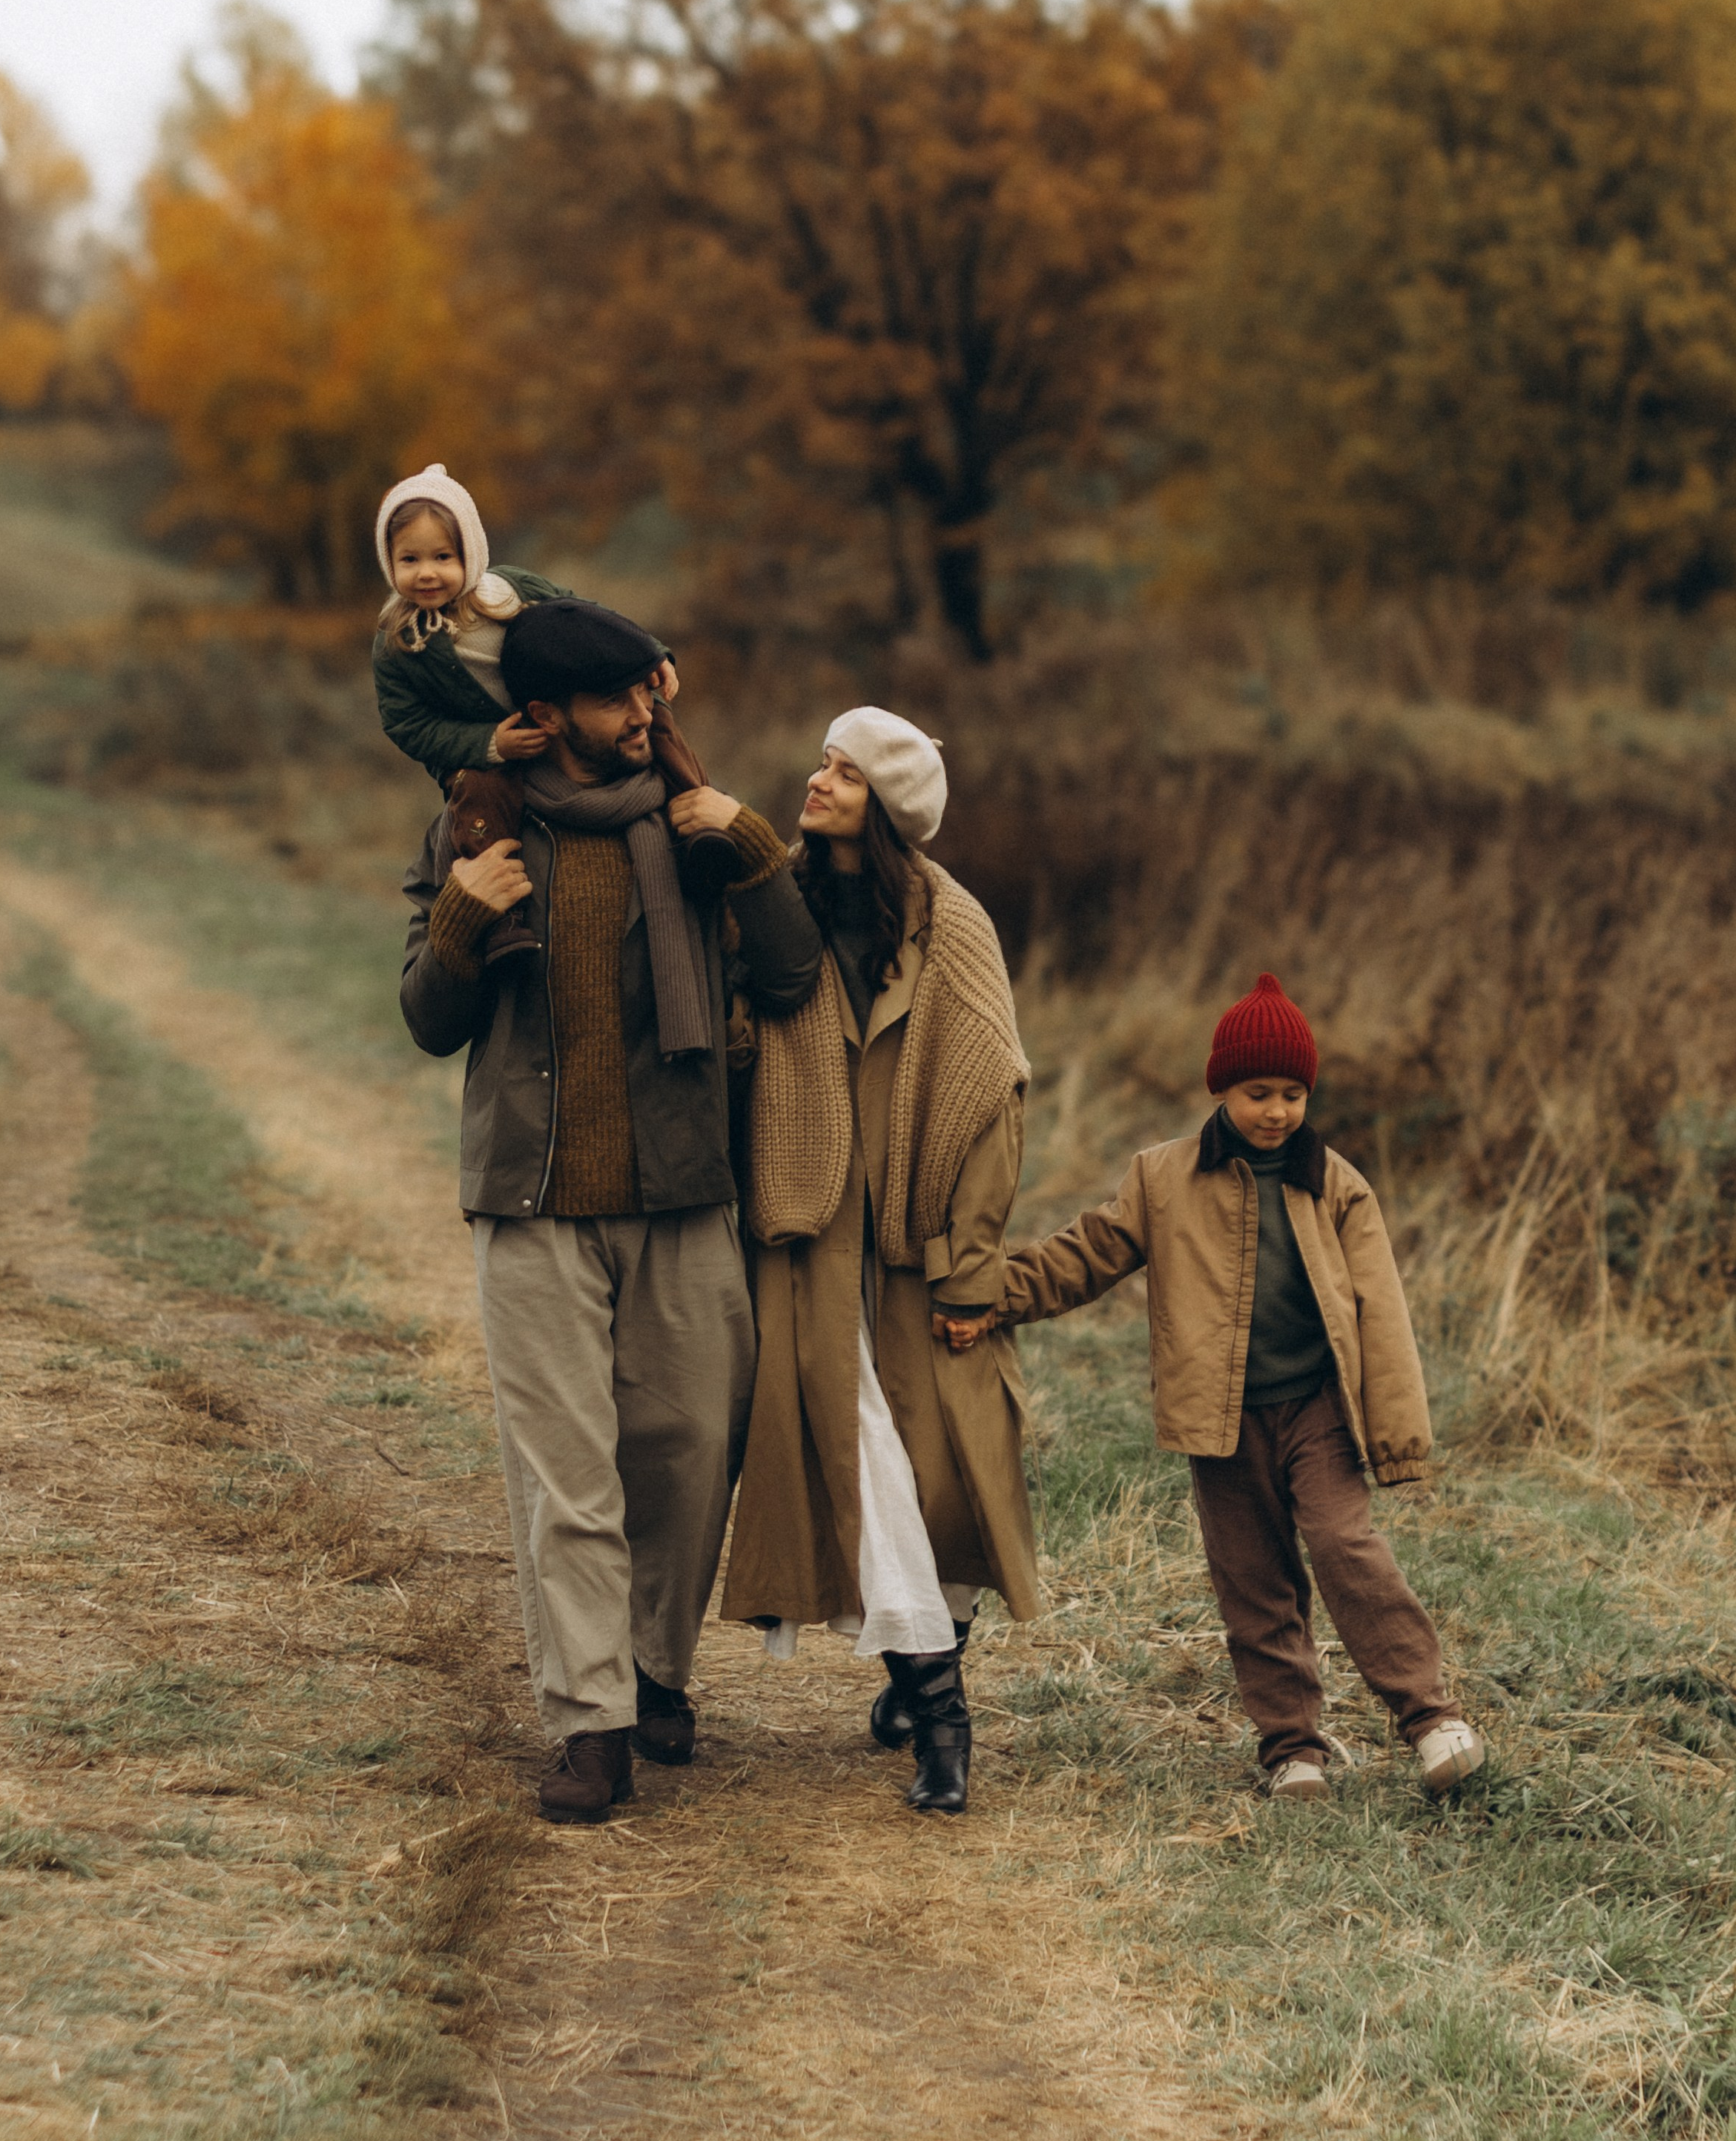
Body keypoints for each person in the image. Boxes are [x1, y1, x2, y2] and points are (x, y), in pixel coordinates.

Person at [399, 597, 822, 1824]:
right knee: (566, 1476)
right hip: (530, 1205)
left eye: (651, 693)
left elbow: (791, 977)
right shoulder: (477, 827)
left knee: (690, 1450)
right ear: (544, 715)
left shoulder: (697, 824)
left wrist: (750, 849)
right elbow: (430, 1023)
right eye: (618, 698)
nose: (645, 715)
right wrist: (466, 916)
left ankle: (654, 1667)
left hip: (682, 1191)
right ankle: (591, 1723)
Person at [946, 974, 1486, 1802]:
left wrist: (1397, 1436)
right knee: (1251, 1578)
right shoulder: (1160, 1179)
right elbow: (1083, 1254)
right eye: (1256, 1091)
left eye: (1292, 1093)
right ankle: (1291, 1747)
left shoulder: (1335, 1184)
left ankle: (1429, 1718)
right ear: (1220, 1088)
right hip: (1220, 1418)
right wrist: (993, 1296)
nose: (1275, 1110)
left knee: (1345, 1545)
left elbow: (1381, 1315)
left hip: (1315, 1409)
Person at [721, 707, 1040, 1816]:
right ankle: (944, 1715)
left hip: (915, 1241)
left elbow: (992, 1095)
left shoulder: (951, 925)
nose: (818, 780)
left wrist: (969, 1262)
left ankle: (920, 1673)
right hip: (811, 1235)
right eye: (820, 760)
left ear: (889, 805)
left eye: (844, 772)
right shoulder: (778, 905)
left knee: (934, 1471)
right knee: (863, 1463)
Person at [372, 465, 680, 965]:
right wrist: (489, 744)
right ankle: (503, 923)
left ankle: (696, 809)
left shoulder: (508, 591)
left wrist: (651, 656)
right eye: (409, 559)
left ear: (470, 553)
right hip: (483, 747)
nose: (426, 573)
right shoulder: (398, 644)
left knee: (656, 719)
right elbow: (407, 725)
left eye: (443, 557)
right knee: (481, 794)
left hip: (555, 721)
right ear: (389, 564)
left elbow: (587, 617)